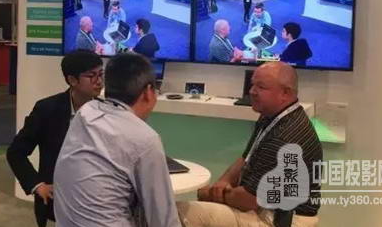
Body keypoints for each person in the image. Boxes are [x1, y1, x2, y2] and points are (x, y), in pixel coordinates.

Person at [177, 62, 322, 227]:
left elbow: (250, 200)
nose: (252, 91)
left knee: (178, 213)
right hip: (264, 209)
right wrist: (222, 183)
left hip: (279, 219)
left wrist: (210, 194)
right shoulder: (273, 115)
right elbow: (246, 157)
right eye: (252, 84)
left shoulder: (285, 137)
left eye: (261, 87)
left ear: (285, 93)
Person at [54, 53, 181, 227]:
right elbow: (163, 219)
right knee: (203, 215)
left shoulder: (85, 113)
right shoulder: (145, 138)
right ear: (148, 92)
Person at [6, 50, 104, 227]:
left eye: (101, 74)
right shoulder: (47, 109)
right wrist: (37, 185)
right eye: (91, 76)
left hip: (97, 204)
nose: (99, 81)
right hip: (56, 203)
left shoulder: (106, 110)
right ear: (72, 80)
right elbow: (16, 152)